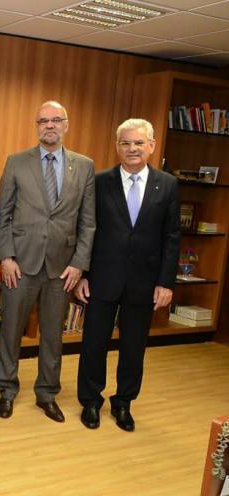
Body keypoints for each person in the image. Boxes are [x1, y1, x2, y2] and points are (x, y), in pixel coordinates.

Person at [75, 118, 179, 432]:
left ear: (151, 146)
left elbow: (171, 237)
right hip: (101, 278)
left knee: (134, 347)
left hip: (144, 282)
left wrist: (165, 282)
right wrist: (82, 274)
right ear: (117, 147)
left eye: (138, 143)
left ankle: (123, 403)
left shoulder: (167, 184)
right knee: (94, 343)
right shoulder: (99, 181)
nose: (132, 148)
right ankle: (90, 401)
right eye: (125, 143)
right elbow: (86, 230)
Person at [0, 101, 95, 423]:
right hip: (20, 264)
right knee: (11, 330)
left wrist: (79, 264)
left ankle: (47, 393)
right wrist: (6, 256)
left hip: (62, 268)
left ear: (66, 124)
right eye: (43, 121)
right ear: (37, 126)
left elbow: (88, 222)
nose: (49, 125)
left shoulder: (84, 166)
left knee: (53, 334)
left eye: (56, 120)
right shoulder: (16, 162)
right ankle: (6, 390)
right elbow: (3, 214)